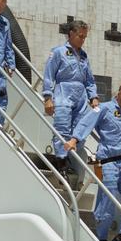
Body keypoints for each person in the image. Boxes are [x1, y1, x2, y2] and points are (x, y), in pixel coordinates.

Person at [64, 81, 121, 241]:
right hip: (107, 162)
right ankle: (101, 237)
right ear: (120, 93)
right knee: (107, 201)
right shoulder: (104, 109)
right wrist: (74, 140)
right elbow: (86, 123)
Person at [42, 20, 98, 175]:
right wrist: (48, 97)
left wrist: (93, 96)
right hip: (63, 92)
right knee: (62, 129)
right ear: (71, 34)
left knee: (79, 130)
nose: (82, 40)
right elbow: (48, 75)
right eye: (80, 36)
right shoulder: (59, 52)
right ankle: (61, 163)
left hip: (80, 97)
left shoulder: (84, 56)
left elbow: (89, 79)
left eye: (85, 37)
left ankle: (72, 160)